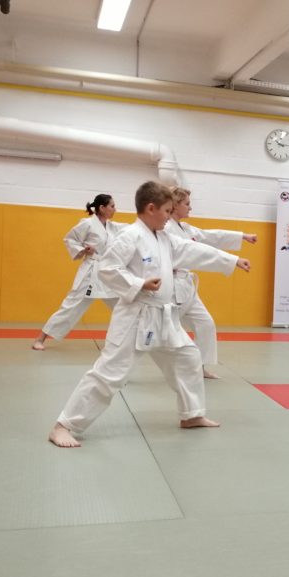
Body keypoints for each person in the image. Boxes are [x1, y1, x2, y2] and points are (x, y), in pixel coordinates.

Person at [49, 181, 251, 448]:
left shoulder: (164, 237)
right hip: (136, 316)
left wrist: (231, 260)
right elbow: (107, 269)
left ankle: (192, 414)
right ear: (151, 208)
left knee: (189, 357)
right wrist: (138, 283)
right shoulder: (130, 236)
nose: (169, 216)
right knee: (111, 373)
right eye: (167, 211)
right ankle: (64, 426)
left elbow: (192, 250)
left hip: (163, 317)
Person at [165, 187, 257, 379]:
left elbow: (211, 236)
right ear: (175, 205)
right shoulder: (167, 229)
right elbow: (196, 252)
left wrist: (242, 236)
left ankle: (199, 367)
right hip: (171, 287)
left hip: (187, 286)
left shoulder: (185, 228)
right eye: (187, 204)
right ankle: (124, 365)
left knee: (206, 324)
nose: (190, 207)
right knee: (161, 331)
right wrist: (233, 260)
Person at [32, 194, 127, 351]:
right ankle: (40, 338)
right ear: (102, 208)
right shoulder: (87, 224)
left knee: (122, 305)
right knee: (71, 306)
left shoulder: (112, 226)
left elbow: (131, 229)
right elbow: (70, 239)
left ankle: (123, 341)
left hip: (107, 271)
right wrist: (83, 249)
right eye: (112, 206)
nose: (115, 209)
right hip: (91, 272)